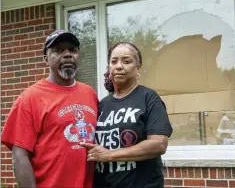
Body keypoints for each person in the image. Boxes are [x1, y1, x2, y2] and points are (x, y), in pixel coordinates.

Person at [1, 30, 98, 188]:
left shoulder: (90, 94)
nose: (67, 54)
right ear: (46, 58)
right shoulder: (30, 98)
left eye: (72, 50)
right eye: (59, 50)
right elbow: (19, 156)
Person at [80, 42, 173, 188]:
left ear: (138, 68)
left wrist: (110, 155)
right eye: (114, 61)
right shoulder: (101, 104)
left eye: (126, 61)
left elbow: (159, 144)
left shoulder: (148, 98)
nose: (118, 66)